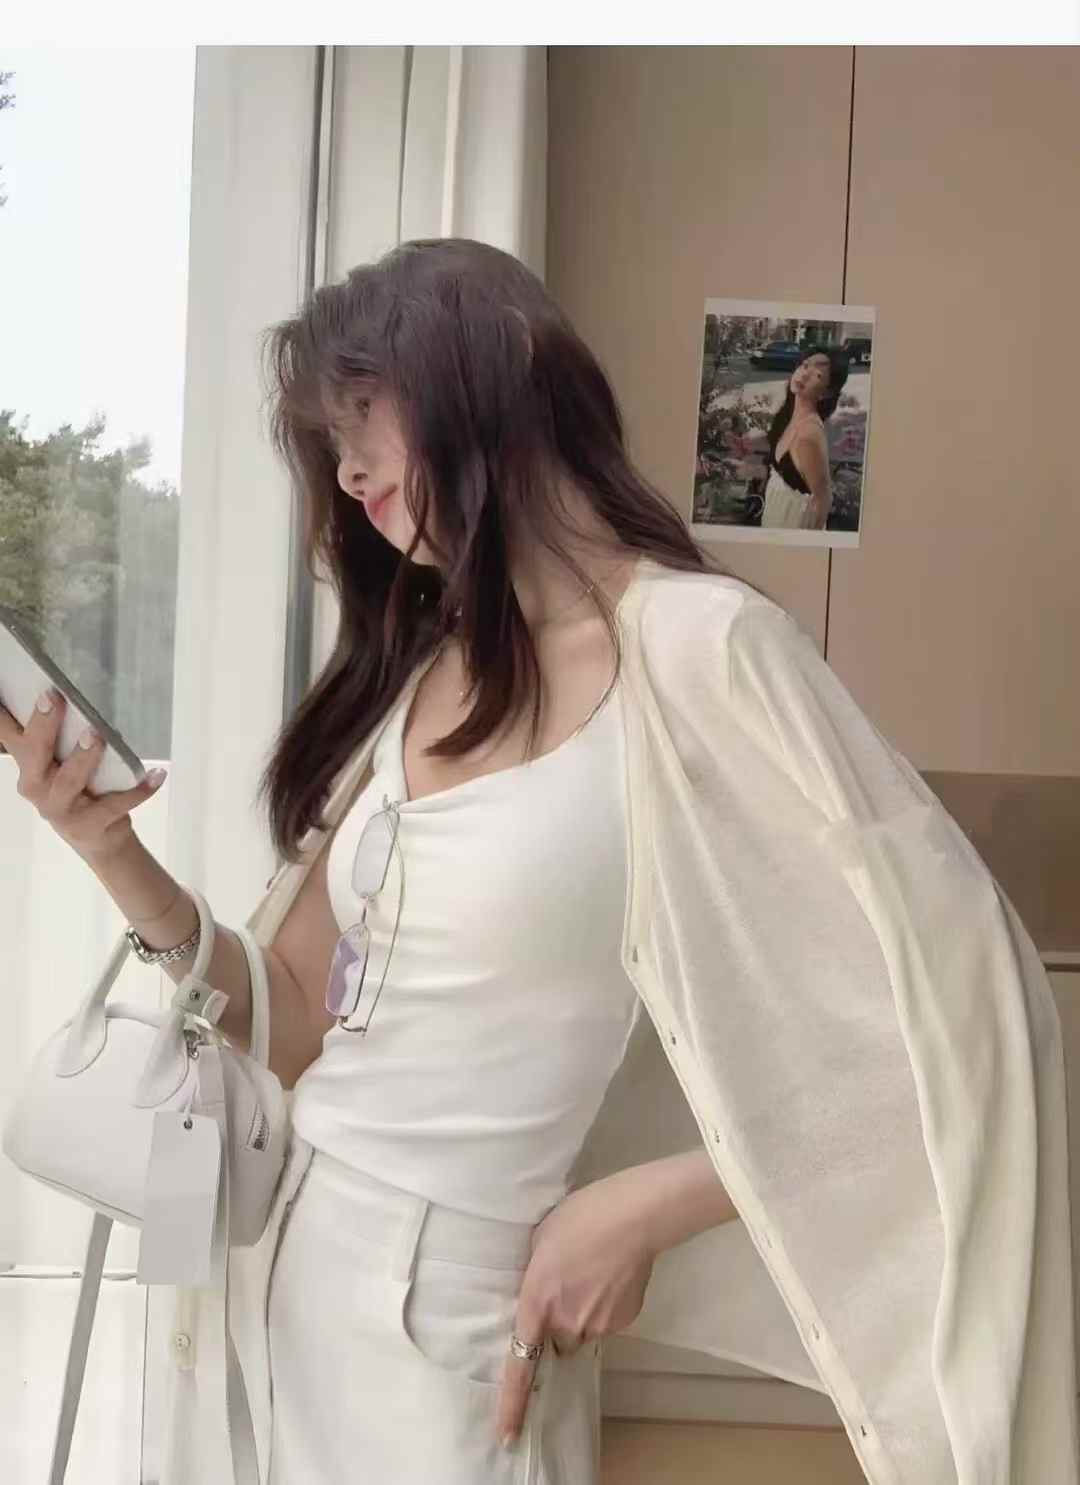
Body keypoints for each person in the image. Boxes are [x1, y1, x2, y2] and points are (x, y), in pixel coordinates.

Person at [2, 240, 1076, 1485]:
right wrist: (108, 848)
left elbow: (964, 1016)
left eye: (364, 417)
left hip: (460, 1322)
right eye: (331, 444)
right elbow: (294, 1016)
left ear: (500, 364)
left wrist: (652, 1203)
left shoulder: (702, 648)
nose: (347, 472)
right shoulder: (431, 663)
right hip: (277, 1275)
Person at [760, 346, 849, 530]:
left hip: (793, 524)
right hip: (775, 516)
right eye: (805, 365)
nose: (805, 374)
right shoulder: (788, 416)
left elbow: (823, 500)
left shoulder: (808, 435)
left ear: (827, 393)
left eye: (818, 375)